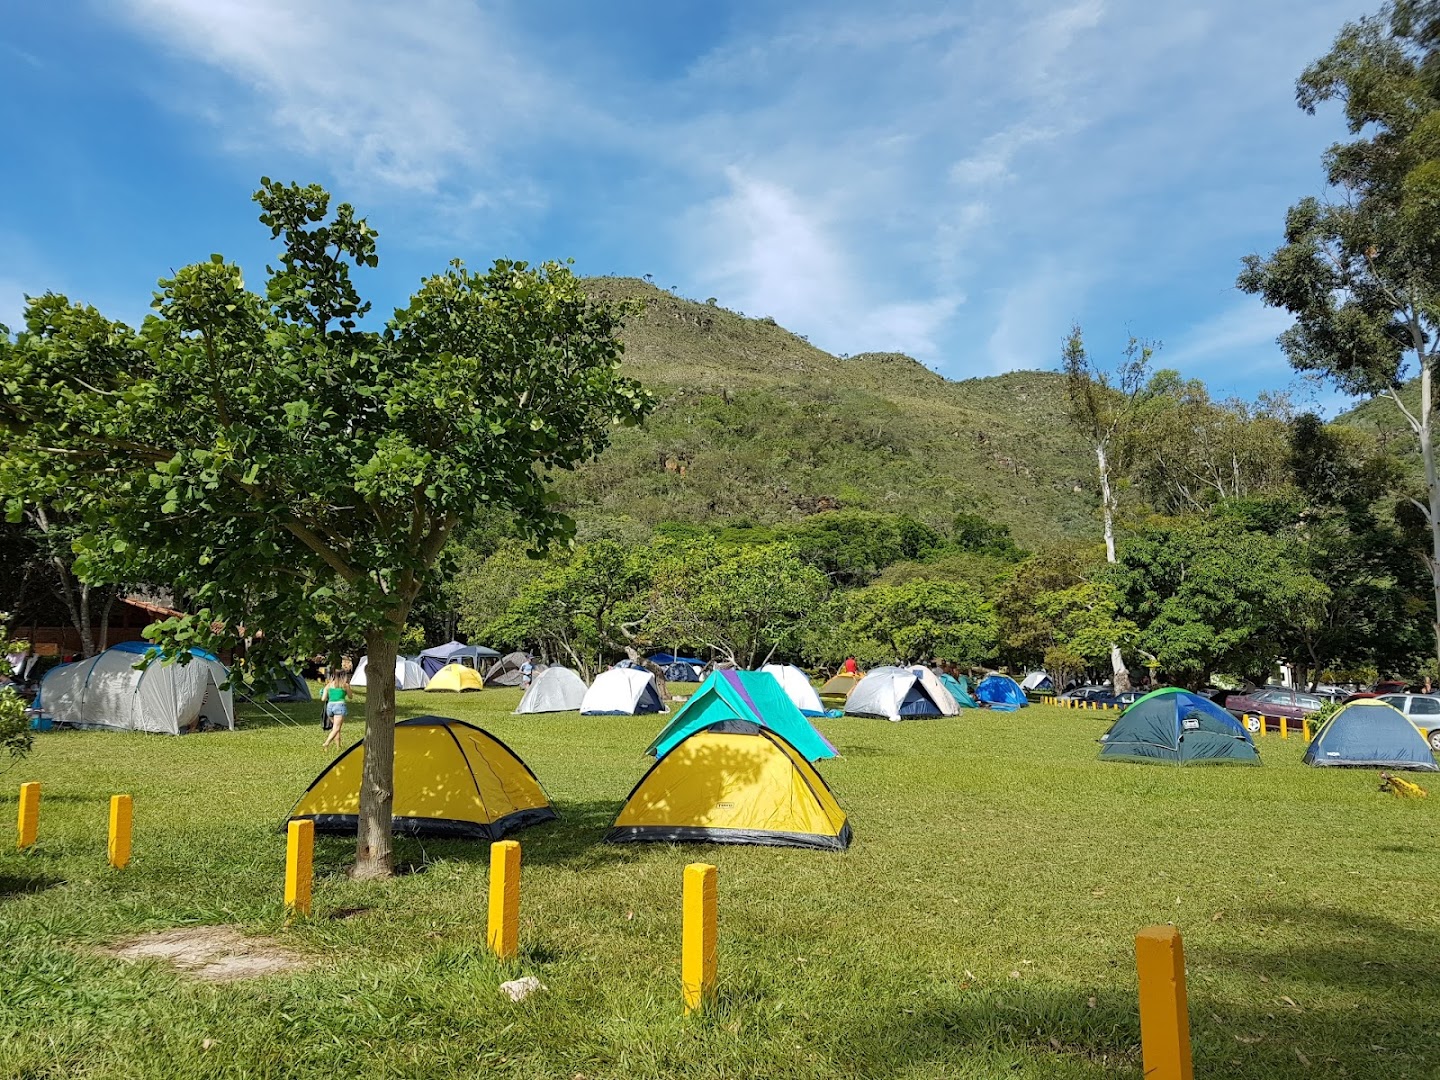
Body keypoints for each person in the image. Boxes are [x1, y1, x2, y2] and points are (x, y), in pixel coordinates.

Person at [322, 672, 349, 749]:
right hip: (340, 706)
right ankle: (326, 743)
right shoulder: (345, 685)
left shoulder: (328, 686)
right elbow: (350, 696)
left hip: (330, 707)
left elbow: (323, 698)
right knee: (336, 728)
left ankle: (338, 747)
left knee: (336, 728)